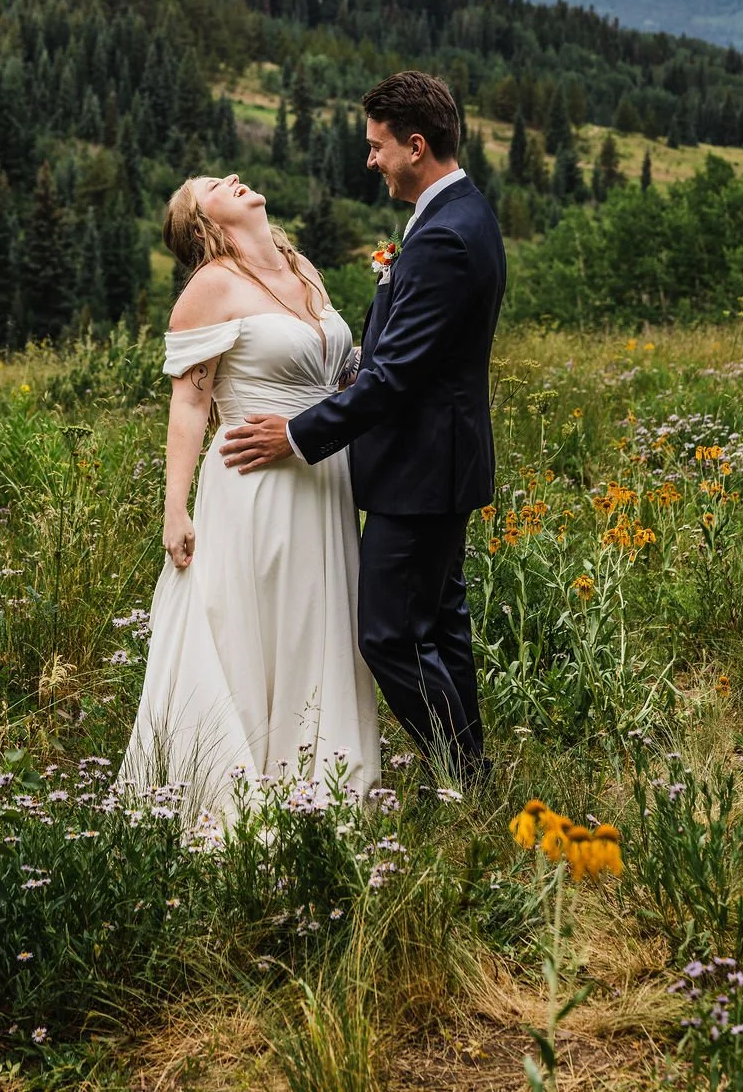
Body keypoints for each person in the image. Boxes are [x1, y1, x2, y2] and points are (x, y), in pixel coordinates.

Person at [221, 72, 506, 786]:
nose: (371, 161)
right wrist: (349, 359)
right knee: (440, 624)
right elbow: (400, 353)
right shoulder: (458, 213)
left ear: (417, 145)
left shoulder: (444, 236)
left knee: (385, 636)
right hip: (439, 462)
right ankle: (469, 776)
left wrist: (294, 434)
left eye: (379, 147)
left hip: (421, 470)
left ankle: (464, 772)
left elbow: (396, 380)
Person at [116, 174, 380, 817]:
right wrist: (174, 507)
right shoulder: (210, 286)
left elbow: (345, 374)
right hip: (256, 486)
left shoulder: (303, 268)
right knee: (263, 628)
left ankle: (323, 785)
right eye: (212, 185)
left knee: (322, 626)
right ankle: (242, 786)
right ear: (201, 222)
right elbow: (190, 401)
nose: (232, 179)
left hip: (324, 477)